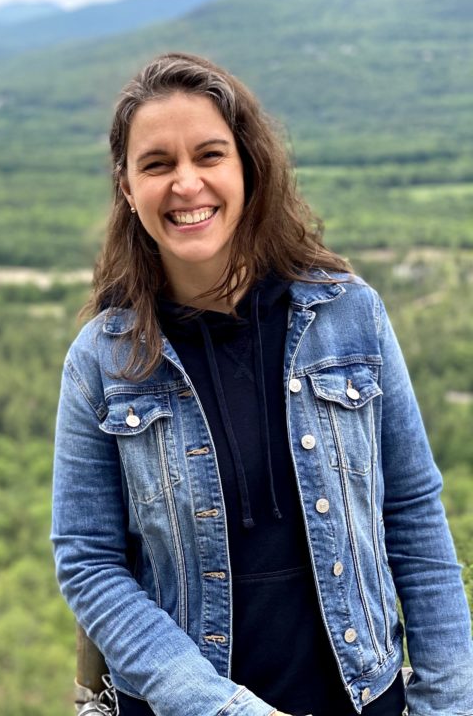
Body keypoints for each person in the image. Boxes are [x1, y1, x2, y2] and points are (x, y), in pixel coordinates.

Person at [51, 52, 473, 716]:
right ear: (128, 189)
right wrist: (216, 706)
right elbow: (89, 563)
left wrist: (448, 705)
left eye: (210, 155)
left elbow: (415, 517)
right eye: (157, 164)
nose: (186, 183)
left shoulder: (350, 316)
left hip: (363, 697)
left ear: (247, 166)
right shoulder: (100, 362)